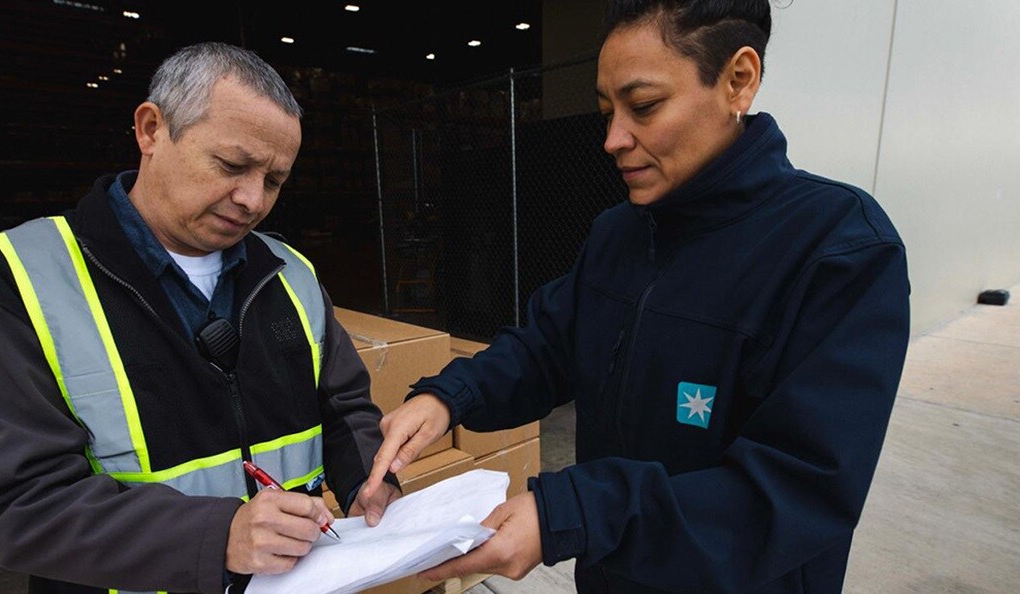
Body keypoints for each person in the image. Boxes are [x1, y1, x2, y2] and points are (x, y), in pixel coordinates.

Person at [363, 1, 911, 592]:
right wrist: (448, 398)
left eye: (644, 107)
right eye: (606, 112)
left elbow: (794, 492)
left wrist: (570, 513)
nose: (613, 139)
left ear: (738, 80)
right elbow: (550, 348)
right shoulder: (619, 231)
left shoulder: (838, 249)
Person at [0, 42, 401, 593]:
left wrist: (368, 478)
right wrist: (215, 538)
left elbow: (342, 406)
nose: (252, 200)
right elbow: (10, 498)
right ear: (151, 130)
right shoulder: (11, 283)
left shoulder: (290, 271)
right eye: (231, 165)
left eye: (274, 180)